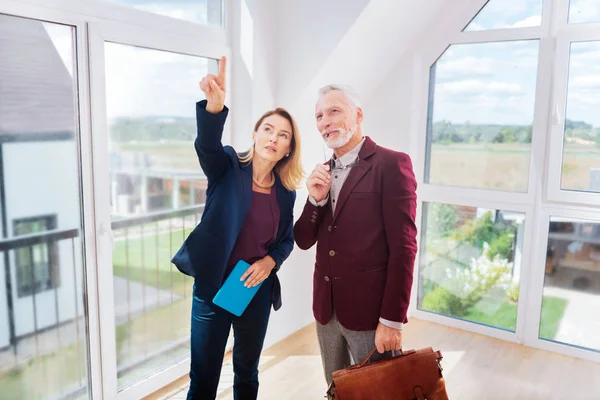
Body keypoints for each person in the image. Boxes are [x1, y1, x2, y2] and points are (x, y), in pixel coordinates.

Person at [171, 56, 303, 400]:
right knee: (204, 378)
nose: (274, 138)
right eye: (269, 129)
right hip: (213, 288)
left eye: (283, 135)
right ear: (256, 134)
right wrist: (214, 110)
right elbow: (207, 148)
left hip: (252, 289)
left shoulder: (285, 192)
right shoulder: (228, 165)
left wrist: (269, 262)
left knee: (247, 373)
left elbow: (286, 241)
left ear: (288, 148)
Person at [293, 84, 418, 385]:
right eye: (319, 115)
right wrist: (314, 200)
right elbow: (303, 239)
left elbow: (404, 248)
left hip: (371, 314)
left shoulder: (392, 164)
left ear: (358, 115)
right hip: (327, 311)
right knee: (336, 388)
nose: (325, 121)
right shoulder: (321, 173)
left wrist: (392, 320)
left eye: (334, 111)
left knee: (377, 392)